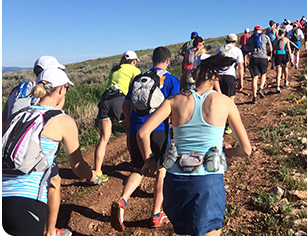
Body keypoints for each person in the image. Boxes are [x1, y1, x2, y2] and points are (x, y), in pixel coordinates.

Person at [137, 53, 252, 236]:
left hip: (175, 180)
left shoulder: (174, 100)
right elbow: (246, 150)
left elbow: (143, 132)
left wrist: (150, 160)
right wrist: (227, 153)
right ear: (215, 77)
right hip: (207, 180)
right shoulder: (225, 103)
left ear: (194, 75)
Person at [2, 68, 96, 236]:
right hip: (27, 202)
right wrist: (91, 175)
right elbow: (77, 165)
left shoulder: (17, 115)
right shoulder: (62, 120)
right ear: (61, 89)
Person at [111, 46, 180, 231]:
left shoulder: (139, 78)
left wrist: (132, 124)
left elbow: (126, 107)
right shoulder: (171, 80)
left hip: (135, 130)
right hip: (157, 131)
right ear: (168, 61)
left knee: (138, 169)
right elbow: (176, 109)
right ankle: (157, 214)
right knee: (161, 171)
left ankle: (123, 200)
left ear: (152, 59)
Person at [93, 50, 141, 184]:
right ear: (133, 61)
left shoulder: (115, 69)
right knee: (130, 133)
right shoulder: (134, 70)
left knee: (103, 138)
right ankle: (134, 163)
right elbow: (135, 88)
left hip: (105, 100)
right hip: (120, 100)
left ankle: (97, 172)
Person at [245, 25, 272, 104]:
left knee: (254, 78)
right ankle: (260, 88)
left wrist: (252, 49)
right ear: (261, 30)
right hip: (263, 58)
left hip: (253, 58)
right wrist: (269, 55)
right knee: (263, 74)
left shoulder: (250, 38)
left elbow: (246, 48)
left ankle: (254, 97)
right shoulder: (266, 37)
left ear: (254, 31)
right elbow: (270, 49)